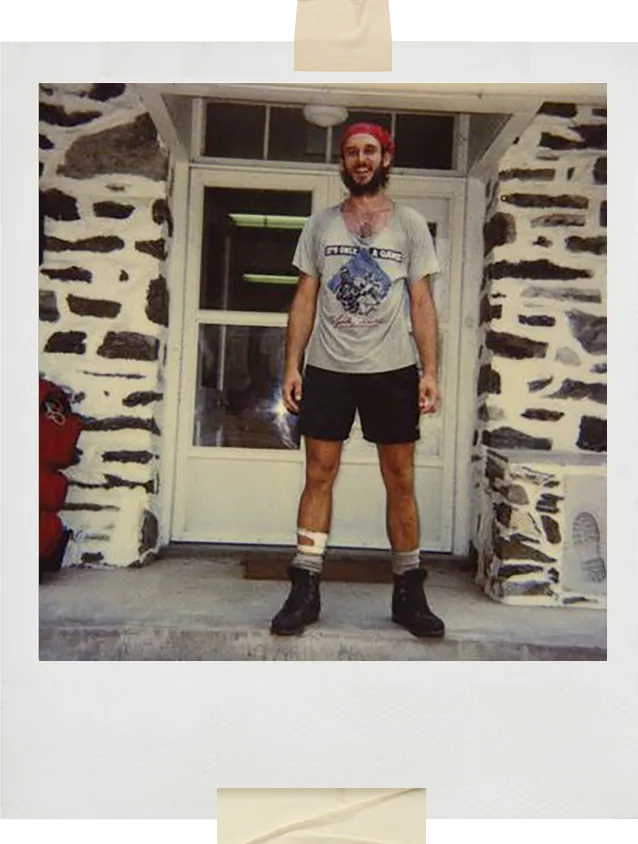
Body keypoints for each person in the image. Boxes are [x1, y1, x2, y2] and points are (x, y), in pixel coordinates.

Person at [270, 122, 445, 640]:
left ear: (386, 159)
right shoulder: (321, 226)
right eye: (352, 152)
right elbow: (304, 298)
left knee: (401, 480)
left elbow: (422, 302)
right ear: (343, 163)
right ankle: (304, 587)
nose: (361, 159)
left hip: (392, 370)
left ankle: (409, 592)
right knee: (318, 475)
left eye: (370, 151)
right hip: (328, 368)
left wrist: (430, 371)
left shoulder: (410, 225)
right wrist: (291, 365)